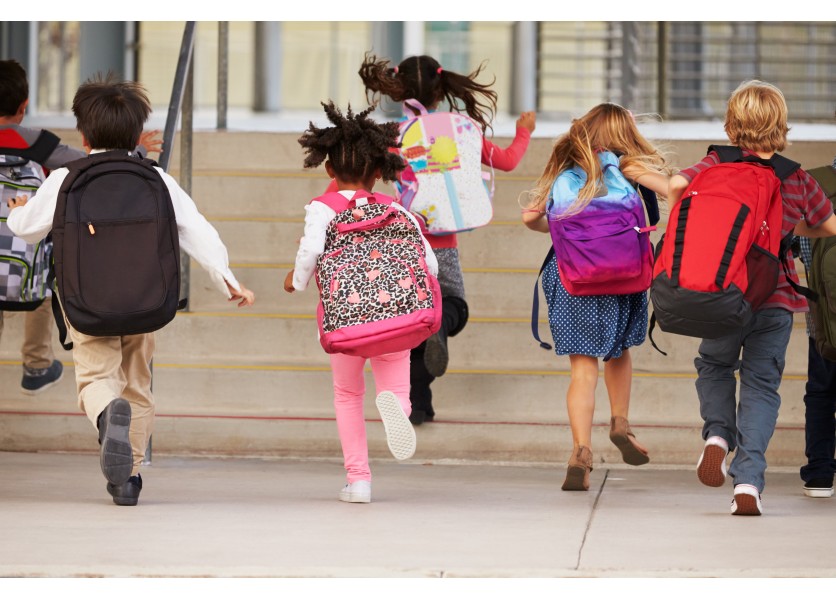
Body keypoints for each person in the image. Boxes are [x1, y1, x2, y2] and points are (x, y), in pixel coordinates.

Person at [6, 74, 254, 506]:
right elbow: (196, 230)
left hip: (86, 301)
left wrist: (16, 212)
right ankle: (128, 478)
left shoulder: (66, 177)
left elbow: (27, 232)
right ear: (139, 134)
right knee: (138, 383)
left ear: (83, 136)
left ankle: (106, 413)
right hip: (144, 300)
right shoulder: (156, 178)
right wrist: (226, 278)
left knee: (97, 378)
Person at [668, 80, 836, 515]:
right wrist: (794, 229)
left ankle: (718, 436)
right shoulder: (795, 177)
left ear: (731, 123)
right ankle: (747, 485)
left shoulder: (713, 163)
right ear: (780, 124)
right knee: (761, 388)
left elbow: (673, 186)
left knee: (714, 365)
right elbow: (828, 226)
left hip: (723, 295)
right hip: (775, 300)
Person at [359, 53, 536, 425]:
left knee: (410, 323)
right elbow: (506, 161)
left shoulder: (392, 136)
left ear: (398, 89)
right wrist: (524, 131)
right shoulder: (461, 128)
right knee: (452, 304)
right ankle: (443, 322)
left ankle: (418, 405)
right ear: (441, 91)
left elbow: (363, 177)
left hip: (404, 242)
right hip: (444, 244)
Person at [284, 101, 438, 504]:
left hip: (347, 320)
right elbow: (431, 265)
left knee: (348, 394)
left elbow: (311, 250)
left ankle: (359, 481)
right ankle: (399, 409)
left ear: (329, 170)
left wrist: (296, 282)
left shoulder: (323, 207)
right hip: (396, 318)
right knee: (395, 384)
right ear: (378, 171)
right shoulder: (396, 208)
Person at [522, 103, 670, 491]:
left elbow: (530, 218)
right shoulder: (628, 168)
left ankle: (580, 451)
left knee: (582, 370)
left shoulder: (565, 169)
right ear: (625, 134)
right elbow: (673, 190)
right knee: (619, 352)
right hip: (624, 274)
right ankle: (620, 424)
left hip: (574, 277)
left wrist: (560, 229)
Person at [0, 59, 160, 395]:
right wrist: (140, 150)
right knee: (45, 274)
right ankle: (37, 364)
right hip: (26, 256)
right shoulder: (38, 143)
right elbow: (97, 163)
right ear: (24, 105)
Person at [797, 157, 836, 499]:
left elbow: (793, 245)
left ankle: (820, 474)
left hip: (824, 318)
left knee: (822, 391)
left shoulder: (812, 183)